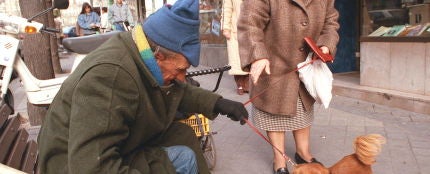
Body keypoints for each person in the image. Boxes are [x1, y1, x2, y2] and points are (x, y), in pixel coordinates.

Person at [37, 0, 248, 174]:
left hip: (109, 148)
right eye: (180, 69)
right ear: (158, 56)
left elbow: (177, 91)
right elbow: (93, 167)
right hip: (70, 165)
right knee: (184, 158)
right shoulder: (109, 77)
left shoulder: (140, 52)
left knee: (181, 134)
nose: (182, 78)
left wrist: (220, 104)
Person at [237, 1, 339, 174]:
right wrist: (258, 55)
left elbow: (331, 21)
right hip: (273, 62)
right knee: (273, 111)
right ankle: (279, 158)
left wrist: (326, 44)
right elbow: (249, 22)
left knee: (302, 110)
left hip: (305, 65)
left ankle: (303, 152)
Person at [221, 0, 249, 95]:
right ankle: (240, 85)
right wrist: (226, 28)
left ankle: (248, 85)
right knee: (237, 61)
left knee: (250, 60)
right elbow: (227, 9)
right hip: (235, 30)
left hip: (251, 30)